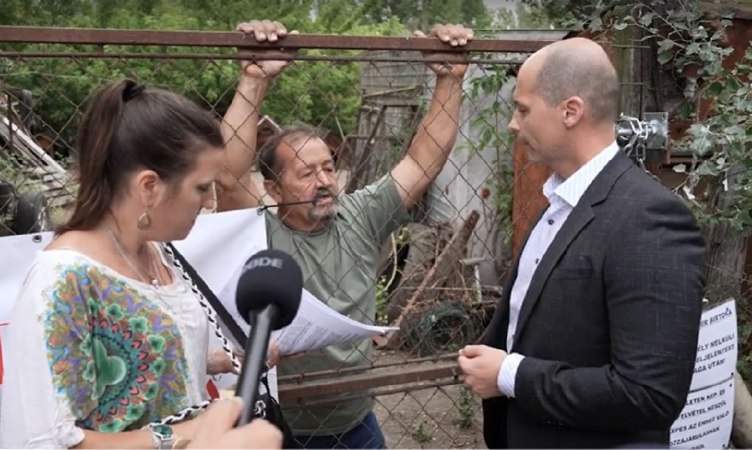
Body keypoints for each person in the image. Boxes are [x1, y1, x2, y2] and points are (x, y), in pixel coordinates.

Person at [218, 20, 472, 449]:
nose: (324, 181)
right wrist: (253, 80)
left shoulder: (360, 213)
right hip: (282, 425)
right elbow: (228, 175)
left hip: (358, 422)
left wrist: (448, 80)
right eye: (306, 173)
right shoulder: (259, 229)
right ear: (274, 189)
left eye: (328, 168)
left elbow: (422, 162)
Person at [457, 37, 706, 448]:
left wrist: (510, 375)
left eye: (523, 109)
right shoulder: (560, 204)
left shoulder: (649, 220)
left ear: (570, 111)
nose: (513, 124)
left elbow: (649, 394)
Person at [0, 77, 270, 448]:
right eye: (202, 187)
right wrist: (185, 433)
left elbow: (129, 364)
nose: (210, 202)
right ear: (149, 187)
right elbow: (49, 438)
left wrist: (222, 360)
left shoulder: (155, 251)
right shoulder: (63, 282)